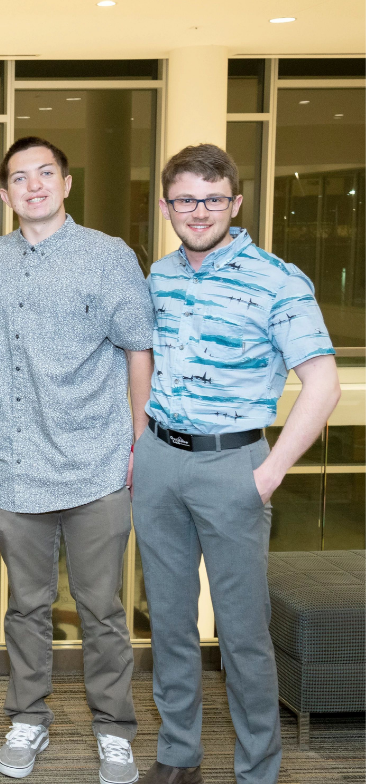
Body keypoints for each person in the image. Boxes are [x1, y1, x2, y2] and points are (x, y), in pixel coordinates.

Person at [134, 144, 340, 784]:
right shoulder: (158, 277)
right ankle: (178, 755)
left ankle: (258, 769)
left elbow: (324, 384)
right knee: (167, 624)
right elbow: (141, 363)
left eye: (213, 198)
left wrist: (269, 472)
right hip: (160, 462)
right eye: (186, 199)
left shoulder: (278, 279)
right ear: (167, 206)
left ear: (236, 203)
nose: (199, 211)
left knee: (243, 635)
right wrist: (140, 441)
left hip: (236, 466)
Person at [0, 136, 154, 784]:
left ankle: (113, 731)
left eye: (46, 174)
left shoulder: (108, 257)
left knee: (102, 609)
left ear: (67, 184)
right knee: (25, 609)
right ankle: (28, 719)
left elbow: (137, 350)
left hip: (99, 465)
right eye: (20, 177)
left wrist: (138, 442)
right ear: (5, 193)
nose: (34, 185)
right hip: (17, 467)